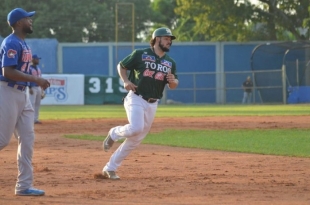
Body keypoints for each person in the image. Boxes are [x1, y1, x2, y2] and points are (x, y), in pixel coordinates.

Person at [101, 27, 179, 179]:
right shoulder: (140, 54)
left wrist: (174, 81)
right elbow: (122, 66)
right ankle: (114, 133)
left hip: (153, 103)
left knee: (135, 139)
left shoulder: (170, 62)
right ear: (157, 39)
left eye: (170, 39)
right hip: (136, 97)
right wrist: (126, 81)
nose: (169, 41)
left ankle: (109, 168)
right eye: (166, 38)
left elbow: (173, 84)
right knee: (136, 128)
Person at [0, 8, 50, 196]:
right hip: (7, 92)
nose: (31, 21)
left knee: (27, 140)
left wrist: (32, 81)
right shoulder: (12, 42)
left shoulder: (23, 43)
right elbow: (8, 72)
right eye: (28, 19)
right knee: (2, 140)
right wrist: (36, 80)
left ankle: (23, 186)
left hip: (22, 96)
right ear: (19, 23)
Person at [29, 54, 43, 124]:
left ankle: (35, 119)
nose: (38, 60)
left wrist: (42, 90)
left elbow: (40, 79)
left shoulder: (38, 68)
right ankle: (30, 119)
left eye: (38, 59)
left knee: (37, 103)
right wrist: (29, 87)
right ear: (32, 59)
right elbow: (27, 78)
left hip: (38, 87)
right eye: (37, 59)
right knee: (31, 103)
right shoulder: (29, 68)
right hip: (32, 87)